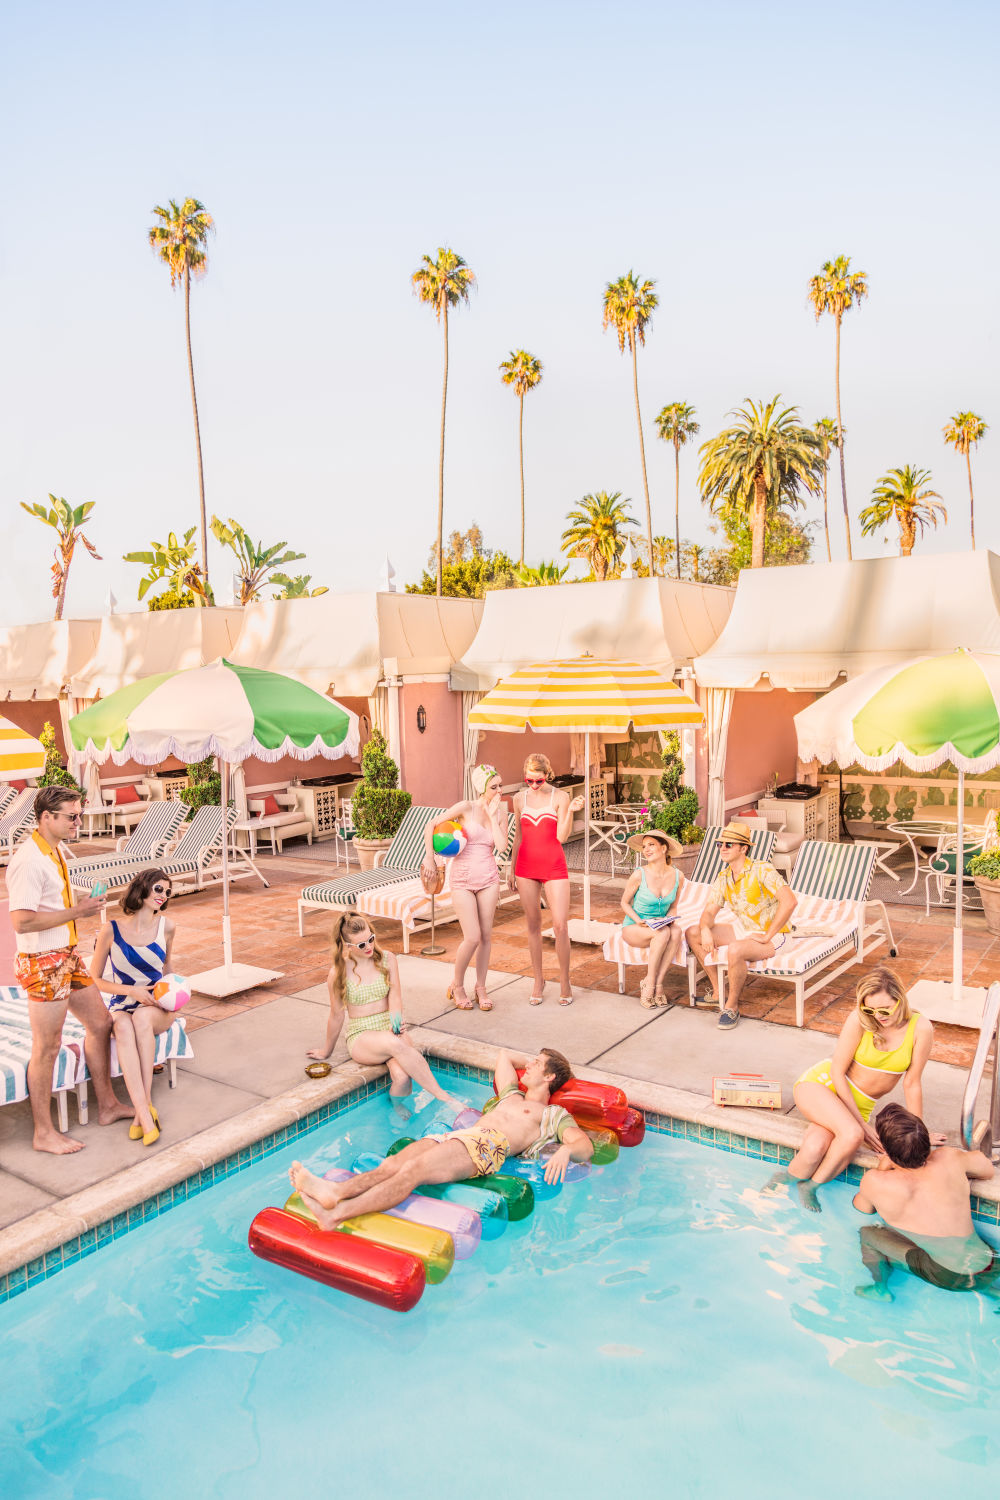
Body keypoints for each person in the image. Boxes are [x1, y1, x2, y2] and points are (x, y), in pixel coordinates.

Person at [289, 1046, 595, 1227]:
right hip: (462, 1136)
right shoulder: (511, 1094)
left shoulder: (550, 1115)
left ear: (550, 1077)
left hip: (486, 1147)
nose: (527, 1066)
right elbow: (503, 1058)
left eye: (536, 1064)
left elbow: (584, 1145)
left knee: (412, 1172)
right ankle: (335, 1192)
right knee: (391, 1164)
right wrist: (533, 1061)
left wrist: (567, 1151)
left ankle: (337, 1215)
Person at [7, 785, 132, 1154]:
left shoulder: (53, 850)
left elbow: (48, 901)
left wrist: (78, 902)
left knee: (99, 1023)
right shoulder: (29, 860)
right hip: (42, 962)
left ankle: (107, 1105)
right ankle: (43, 1132)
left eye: (79, 814)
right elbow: (22, 922)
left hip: (65, 954)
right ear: (47, 817)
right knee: (48, 1046)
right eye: (71, 816)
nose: (78, 821)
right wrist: (78, 912)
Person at [775, 967, 939, 1212]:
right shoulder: (859, 1020)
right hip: (823, 1086)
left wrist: (917, 1134)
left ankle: (793, 1184)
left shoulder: (920, 1028)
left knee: (815, 1148)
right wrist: (861, 1125)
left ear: (900, 1000)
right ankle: (794, 1189)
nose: (878, 1016)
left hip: (858, 1104)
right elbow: (837, 1072)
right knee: (851, 1134)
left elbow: (911, 1082)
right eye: (870, 1009)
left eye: (885, 1009)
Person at [308, 912, 463, 1112]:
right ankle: (445, 1098)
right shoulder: (338, 973)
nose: (369, 947)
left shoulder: (387, 959)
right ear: (347, 946)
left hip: (389, 1028)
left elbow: (395, 997)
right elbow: (336, 1015)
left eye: (371, 939)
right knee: (393, 1043)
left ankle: (397, 1106)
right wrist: (326, 1050)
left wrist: (397, 1023)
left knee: (402, 1077)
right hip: (362, 1035)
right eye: (361, 944)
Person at [853, 1103, 998, 1303]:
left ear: (886, 1149)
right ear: (925, 1140)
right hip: (990, 1263)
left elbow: (863, 1208)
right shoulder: (948, 1157)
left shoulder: (876, 1181)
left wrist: (884, 1165)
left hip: (949, 1276)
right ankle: (992, 1290)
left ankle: (880, 1288)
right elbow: (987, 1170)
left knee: (868, 1234)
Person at [88, 868, 179, 1146]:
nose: (163, 895)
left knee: (140, 1018)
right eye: (158, 889)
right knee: (122, 1026)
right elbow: (94, 978)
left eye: (167, 891)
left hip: (157, 1003)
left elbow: (167, 969)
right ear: (142, 888)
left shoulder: (168, 927)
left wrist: (176, 993)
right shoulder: (111, 930)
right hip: (123, 1000)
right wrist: (130, 991)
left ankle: (144, 1112)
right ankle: (144, 1111)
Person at [685, 819, 797, 1030]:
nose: (723, 848)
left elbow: (790, 901)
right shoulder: (724, 877)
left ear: (744, 848)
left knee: (735, 950)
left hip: (776, 934)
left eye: (729, 844)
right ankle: (718, 992)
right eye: (720, 844)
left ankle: (732, 1006)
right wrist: (705, 929)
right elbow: (709, 911)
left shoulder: (762, 870)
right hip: (745, 930)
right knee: (693, 933)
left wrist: (766, 936)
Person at [421, 764, 508, 1011]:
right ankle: (457, 985)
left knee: (487, 936)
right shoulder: (465, 808)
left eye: (501, 786)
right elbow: (431, 826)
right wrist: (429, 856)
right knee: (472, 936)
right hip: (461, 879)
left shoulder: (501, 814)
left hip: (489, 879)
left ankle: (481, 987)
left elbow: (501, 847)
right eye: (494, 787)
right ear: (482, 788)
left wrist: (492, 815)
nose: (500, 791)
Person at [510, 753, 584, 1005]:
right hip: (525, 867)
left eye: (538, 781)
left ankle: (565, 980)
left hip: (554, 865)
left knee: (561, 926)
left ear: (547, 775)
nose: (533, 785)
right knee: (533, 925)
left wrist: (571, 812)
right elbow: (518, 838)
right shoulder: (519, 799)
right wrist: (511, 870)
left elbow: (562, 837)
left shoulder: (561, 797)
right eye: (528, 780)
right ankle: (538, 979)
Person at [620, 830, 685, 1008]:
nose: (646, 850)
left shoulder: (678, 876)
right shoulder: (639, 874)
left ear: (664, 848)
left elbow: (673, 906)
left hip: (658, 925)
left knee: (676, 930)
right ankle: (649, 983)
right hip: (634, 927)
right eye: (644, 846)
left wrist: (670, 918)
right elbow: (624, 903)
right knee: (662, 933)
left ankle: (658, 984)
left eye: (651, 845)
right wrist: (638, 919)